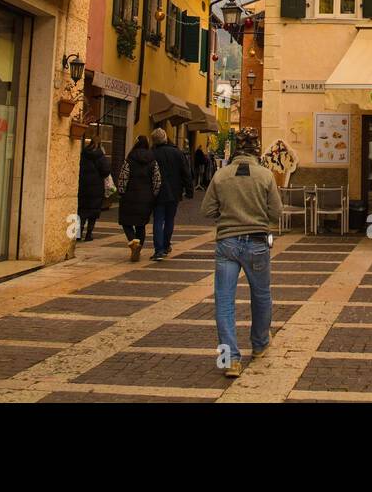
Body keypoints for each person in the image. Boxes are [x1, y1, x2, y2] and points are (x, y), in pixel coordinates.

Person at [200, 128, 281, 379]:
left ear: (236, 148)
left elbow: (206, 210)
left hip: (227, 243)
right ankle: (259, 345)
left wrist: (227, 215)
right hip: (257, 243)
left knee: (224, 302)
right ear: (257, 149)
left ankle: (231, 360)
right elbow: (276, 213)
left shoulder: (221, 175)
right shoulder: (265, 175)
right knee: (261, 296)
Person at [150, 128, 193, 261]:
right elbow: (186, 172)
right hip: (174, 191)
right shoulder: (177, 153)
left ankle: (158, 250)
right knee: (169, 220)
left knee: (158, 220)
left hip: (157, 192)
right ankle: (166, 244)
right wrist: (189, 190)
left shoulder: (152, 154)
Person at [116, 135, 161, 262]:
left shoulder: (129, 159)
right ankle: (138, 246)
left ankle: (133, 242)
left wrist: (121, 192)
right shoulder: (153, 160)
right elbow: (157, 180)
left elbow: (123, 178)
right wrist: (153, 195)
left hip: (129, 196)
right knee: (141, 225)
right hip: (146, 198)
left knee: (126, 222)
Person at [77, 138, 111, 242]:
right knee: (93, 212)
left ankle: (78, 234)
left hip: (83, 186)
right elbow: (106, 171)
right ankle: (88, 235)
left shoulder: (83, 154)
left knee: (82, 211)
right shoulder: (100, 156)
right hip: (96, 187)